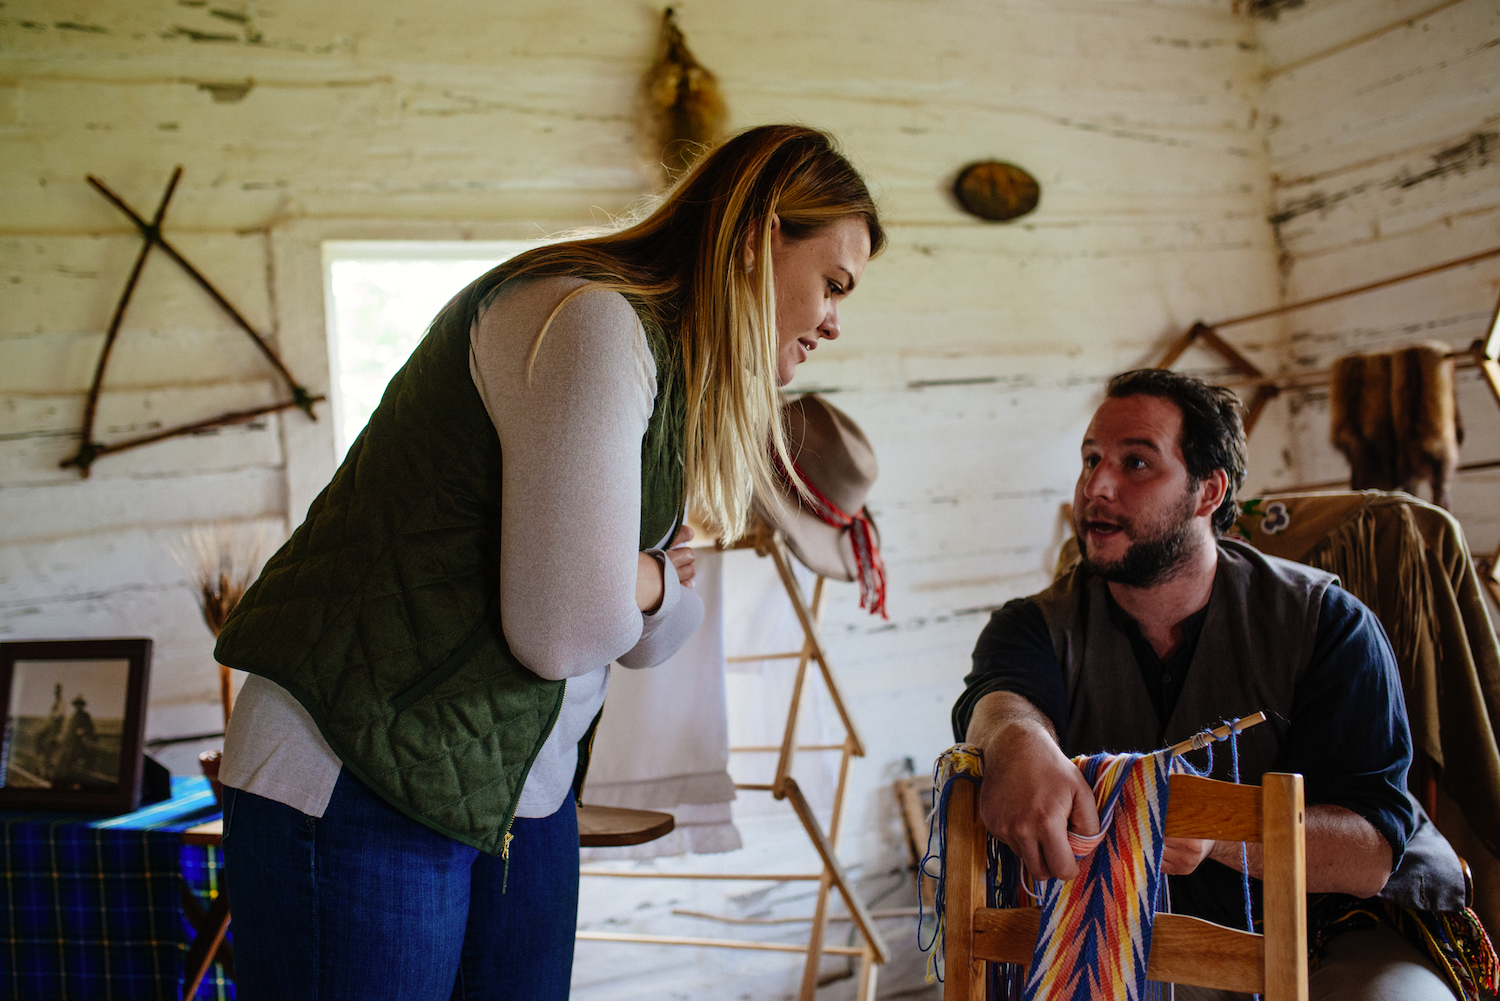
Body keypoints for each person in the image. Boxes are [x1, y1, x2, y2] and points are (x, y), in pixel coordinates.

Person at [212, 124, 883, 1000]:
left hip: (516, 789)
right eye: (833, 283)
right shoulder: (590, 322)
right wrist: (648, 576)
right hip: (357, 765)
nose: (834, 321)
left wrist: (632, 581)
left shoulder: (674, 372)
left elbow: (652, 635)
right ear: (758, 236)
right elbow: (564, 630)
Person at [952, 369, 1472, 1000]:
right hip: (1130, 932)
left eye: (1135, 462)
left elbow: (1370, 854)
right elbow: (1000, 702)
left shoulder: (1328, 624)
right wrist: (1017, 740)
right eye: (1091, 460)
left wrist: (1219, 829)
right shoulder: (1033, 626)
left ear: (1208, 490)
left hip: (1335, 929)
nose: (1096, 487)